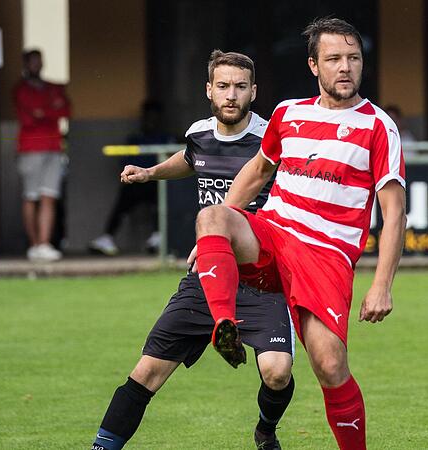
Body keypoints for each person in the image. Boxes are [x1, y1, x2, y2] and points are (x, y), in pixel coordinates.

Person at [192, 18, 406, 449]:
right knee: (212, 216)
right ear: (314, 65)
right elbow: (255, 174)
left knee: (329, 364)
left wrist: (381, 285)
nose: (345, 67)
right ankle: (224, 326)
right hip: (272, 236)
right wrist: (219, 237)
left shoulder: (378, 126)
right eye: (334, 59)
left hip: (325, 257)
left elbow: (395, 213)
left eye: (353, 59)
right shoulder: (289, 113)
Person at [91, 50, 295, 450]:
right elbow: (190, 159)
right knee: (146, 371)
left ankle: (265, 429)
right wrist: (150, 172)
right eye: (223, 86)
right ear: (209, 90)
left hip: (259, 279)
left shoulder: (272, 139)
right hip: (207, 277)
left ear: (254, 91)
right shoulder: (199, 132)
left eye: (239, 86)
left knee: (277, 372)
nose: (231, 95)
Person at [89, 101, 175, 256]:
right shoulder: (135, 139)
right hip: (137, 182)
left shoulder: (166, 137)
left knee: (163, 197)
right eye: (147, 118)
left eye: (154, 118)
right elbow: (125, 162)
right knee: (124, 197)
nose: (150, 122)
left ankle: (158, 237)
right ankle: (107, 238)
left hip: (158, 182)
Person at [13, 49, 71, 262]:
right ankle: (34, 244)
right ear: (26, 64)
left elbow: (66, 110)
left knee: (49, 196)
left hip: (54, 147)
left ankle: (45, 244)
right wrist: (50, 109)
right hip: (30, 149)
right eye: (32, 62)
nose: (36, 65)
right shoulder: (21, 89)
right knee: (31, 196)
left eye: (39, 61)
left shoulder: (52, 87)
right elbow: (29, 118)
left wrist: (42, 112)